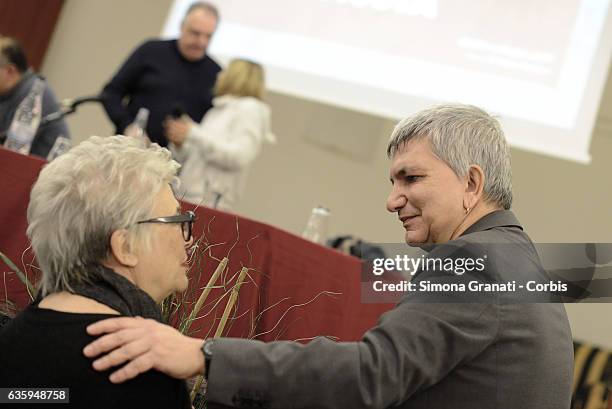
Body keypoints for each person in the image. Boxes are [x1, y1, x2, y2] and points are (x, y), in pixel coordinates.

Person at [82, 105, 574, 409]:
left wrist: (202, 355)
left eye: (411, 178)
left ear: (471, 183)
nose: (392, 200)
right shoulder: (515, 257)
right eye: (392, 181)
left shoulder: (476, 261)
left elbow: (373, 374)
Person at [0, 136, 195, 408]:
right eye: (176, 221)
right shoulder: (137, 366)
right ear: (125, 246)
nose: (188, 239)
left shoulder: (12, 342)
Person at [101, 2, 221, 147]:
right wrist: (127, 125)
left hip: (177, 162)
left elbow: (216, 127)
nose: (201, 42)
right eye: (195, 33)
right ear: (182, 26)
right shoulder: (151, 51)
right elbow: (111, 93)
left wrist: (192, 135)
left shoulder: (217, 74)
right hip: (129, 150)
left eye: (208, 36)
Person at [164, 59, 275, 210]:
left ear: (238, 76)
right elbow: (199, 155)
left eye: (226, 71)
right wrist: (181, 143)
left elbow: (239, 156)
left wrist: (193, 133)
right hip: (187, 194)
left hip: (210, 201)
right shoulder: (217, 110)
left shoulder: (250, 110)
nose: (219, 75)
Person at [0, 35, 70, 159]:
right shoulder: (7, 92)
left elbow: (12, 150)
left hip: (42, 172)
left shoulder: (34, 95)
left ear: (10, 71)